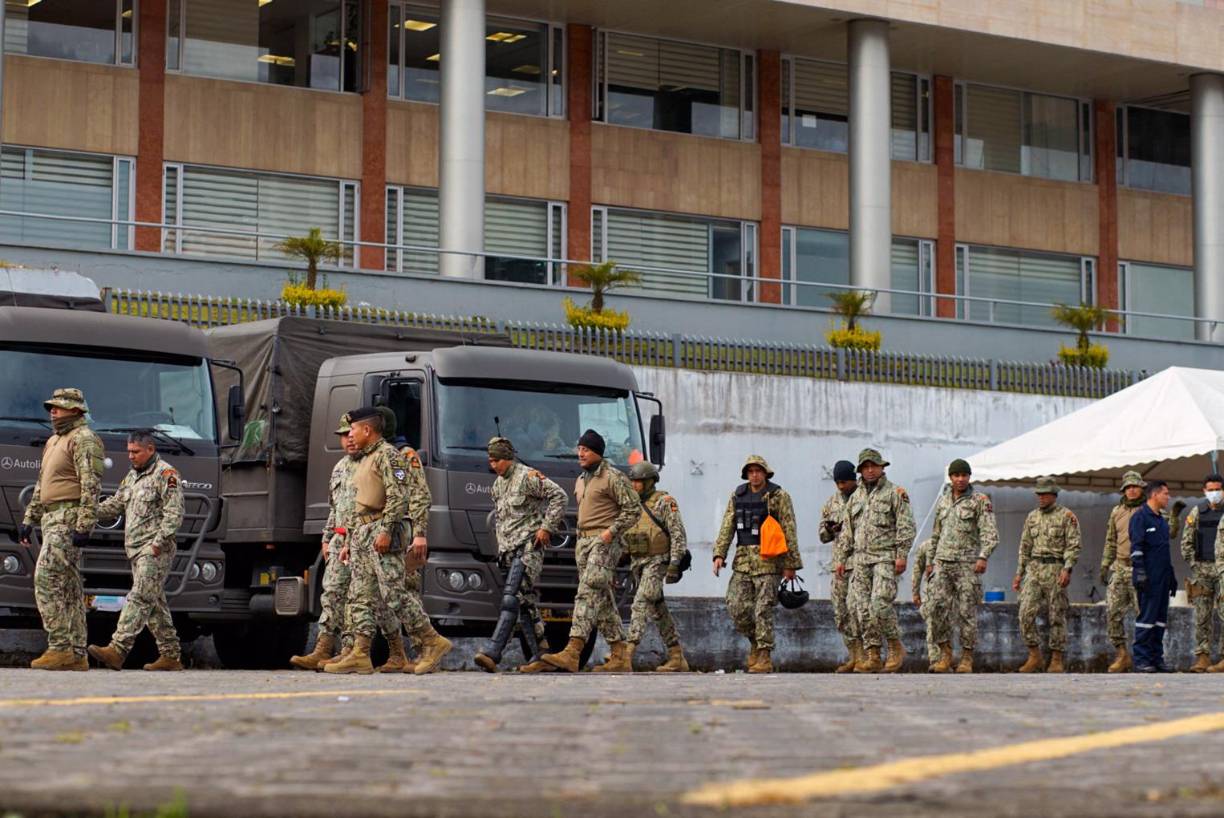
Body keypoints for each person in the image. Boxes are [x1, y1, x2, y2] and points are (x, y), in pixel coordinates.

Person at [323, 407, 450, 675]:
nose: (350, 435)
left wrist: (388, 530)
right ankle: (359, 653)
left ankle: (431, 640)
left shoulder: (389, 456)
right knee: (360, 596)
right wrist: (349, 540)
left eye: (354, 429)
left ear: (367, 430)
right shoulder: (363, 459)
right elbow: (354, 505)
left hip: (381, 531)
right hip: (362, 534)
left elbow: (400, 496)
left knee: (394, 593)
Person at [290, 414, 403, 672]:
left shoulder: (372, 461)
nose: (348, 439)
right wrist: (328, 536)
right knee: (332, 593)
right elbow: (335, 507)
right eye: (343, 435)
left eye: (350, 433)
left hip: (365, 537)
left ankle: (370, 650)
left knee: (371, 598)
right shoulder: (340, 467)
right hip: (342, 538)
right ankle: (324, 649)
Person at [540, 429, 641, 673]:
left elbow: (633, 510)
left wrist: (611, 532)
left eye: (585, 450)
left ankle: (573, 650)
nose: (580, 454)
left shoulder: (613, 477)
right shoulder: (581, 479)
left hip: (604, 541)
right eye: (579, 449)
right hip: (583, 543)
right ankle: (619, 655)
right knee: (602, 599)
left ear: (597, 452)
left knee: (586, 592)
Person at [18, 388, 104, 672]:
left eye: (59, 407)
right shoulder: (54, 440)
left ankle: (60, 647)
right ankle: (77, 653)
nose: (53, 411)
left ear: (77, 411)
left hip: (68, 518)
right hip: (51, 518)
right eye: (51, 407)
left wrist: (84, 524)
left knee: (46, 578)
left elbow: (91, 485)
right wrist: (30, 519)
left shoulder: (85, 439)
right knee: (68, 587)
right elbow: (43, 483)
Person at [86, 432, 184, 671]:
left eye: (135, 452)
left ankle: (117, 649)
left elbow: (175, 513)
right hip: (135, 549)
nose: (131, 456)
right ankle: (171, 655)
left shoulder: (166, 474)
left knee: (140, 597)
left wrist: (158, 543)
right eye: (129, 451)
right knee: (154, 602)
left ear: (150, 449)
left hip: (154, 549)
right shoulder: (132, 476)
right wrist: (89, 510)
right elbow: (116, 504)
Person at [475, 436, 567, 673]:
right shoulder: (497, 485)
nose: (492, 465)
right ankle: (542, 656)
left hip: (528, 548)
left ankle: (492, 652)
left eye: (496, 460)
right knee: (524, 603)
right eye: (490, 460)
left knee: (510, 598)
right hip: (508, 551)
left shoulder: (527, 477)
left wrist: (547, 527)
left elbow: (559, 496)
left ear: (508, 458)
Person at [712, 455, 801, 674]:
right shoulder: (738, 495)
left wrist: (790, 564)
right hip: (743, 561)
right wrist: (719, 554)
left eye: (758, 470)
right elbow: (727, 526)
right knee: (736, 606)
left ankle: (764, 655)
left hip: (769, 562)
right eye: (750, 471)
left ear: (765, 473)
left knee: (763, 609)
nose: (754, 475)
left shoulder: (778, 496)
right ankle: (755, 642)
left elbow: (789, 529)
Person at [836, 448, 915, 674]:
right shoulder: (856, 497)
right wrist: (842, 557)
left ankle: (894, 646)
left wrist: (902, 554)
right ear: (860, 471)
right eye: (865, 467)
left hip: (884, 557)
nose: (870, 470)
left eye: (874, 466)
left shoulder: (895, 493)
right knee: (860, 607)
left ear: (882, 468)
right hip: (860, 559)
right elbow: (847, 530)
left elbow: (906, 526)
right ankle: (872, 654)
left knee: (879, 602)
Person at [927, 459, 999, 674]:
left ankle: (966, 657)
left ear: (969, 477)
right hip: (942, 562)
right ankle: (945, 654)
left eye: (964, 475)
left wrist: (983, 556)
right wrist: (931, 561)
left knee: (966, 612)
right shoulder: (943, 501)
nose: (960, 479)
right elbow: (936, 534)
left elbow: (990, 534)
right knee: (936, 608)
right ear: (950, 477)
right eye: (956, 475)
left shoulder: (979, 501)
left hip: (967, 564)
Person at [623, 460, 690, 672]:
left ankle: (627, 652)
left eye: (639, 482)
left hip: (658, 562)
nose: (634, 485)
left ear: (650, 482)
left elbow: (678, 535)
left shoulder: (664, 502)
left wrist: (674, 564)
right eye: (632, 481)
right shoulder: (631, 505)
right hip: (638, 563)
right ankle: (676, 655)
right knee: (658, 609)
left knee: (642, 601)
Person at [1014, 477, 1081, 673]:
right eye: (1039, 494)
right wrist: (1019, 573)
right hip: (1034, 570)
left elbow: (1073, 546)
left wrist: (1067, 568)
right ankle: (1034, 655)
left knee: (1057, 615)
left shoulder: (1067, 516)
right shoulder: (1032, 517)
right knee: (1025, 613)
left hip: (1055, 569)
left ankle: (1057, 659)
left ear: (1054, 494)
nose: (1041, 497)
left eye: (1044, 494)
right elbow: (1024, 547)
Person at [1099, 471, 1147, 673]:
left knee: (1143, 614)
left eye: (1135, 486)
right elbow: (1110, 540)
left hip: (1141, 568)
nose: (1132, 490)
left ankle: (1145, 656)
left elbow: (1166, 534)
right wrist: (1104, 564)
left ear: (1142, 488)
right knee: (1112, 611)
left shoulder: (1149, 510)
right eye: (1128, 487)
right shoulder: (1116, 511)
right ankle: (1122, 654)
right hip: (1119, 566)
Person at [1131, 480, 1176, 673]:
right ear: (1154, 495)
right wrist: (1140, 572)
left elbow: (1164, 551)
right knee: (1146, 619)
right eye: (1165, 493)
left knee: (1159, 620)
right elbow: (1136, 548)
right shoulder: (1140, 517)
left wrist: (1171, 576)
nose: (1168, 497)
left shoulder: (1161, 520)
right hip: (1148, 578)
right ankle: (1141, 659)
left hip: (1162, 577)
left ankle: (1156, 659)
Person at [1182, 474, 1224, 673]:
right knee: (1202, 614)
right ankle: (1203, 657)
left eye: (1218, 489)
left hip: (1223, 569)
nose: (1214, 493)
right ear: (1204, 491)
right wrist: (1194, 565)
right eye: (1211, 489)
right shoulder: (1197, 512)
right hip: (1203, 569)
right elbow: (1186, 542)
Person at [821, 460, 859, 673]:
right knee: (841, 611)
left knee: (858, 609)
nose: (841, 486)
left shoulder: (864, 499)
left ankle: (865, 654)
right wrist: (830, 529)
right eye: (838, 482)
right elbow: (822, 535)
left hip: (860, 562)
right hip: (839, 566)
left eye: (845, 482)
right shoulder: (831, 503)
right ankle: (853, 654)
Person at [910, 538, 939, 669]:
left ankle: (959, 659)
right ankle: (935, 660)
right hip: (932, 593)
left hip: (953, 594)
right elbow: (917, 569)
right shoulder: (926, 545)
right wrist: (915, 592)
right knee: (932, 624)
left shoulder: (961, 544)